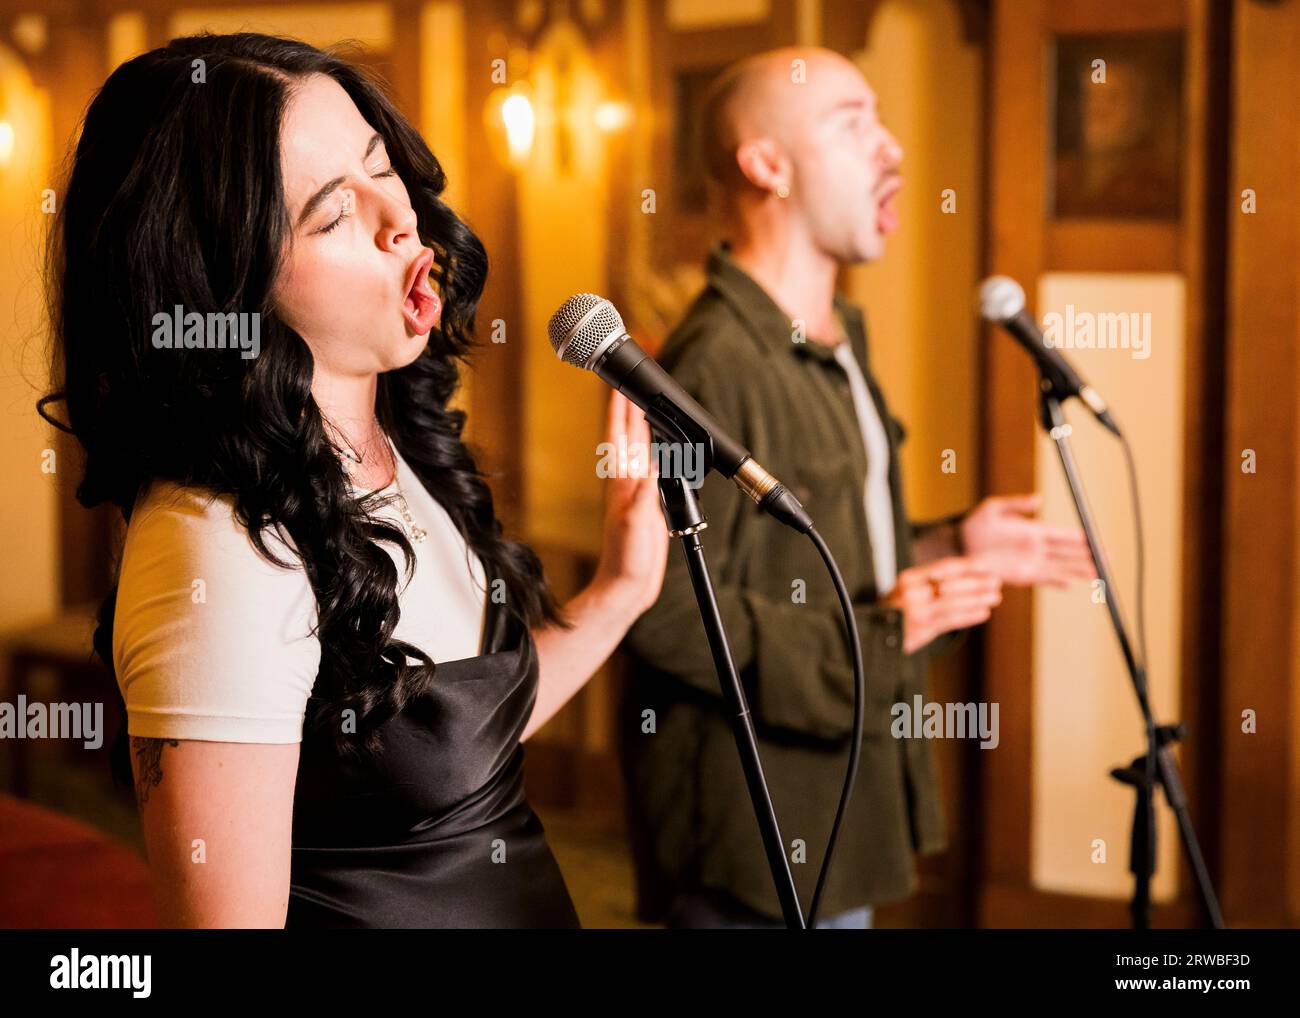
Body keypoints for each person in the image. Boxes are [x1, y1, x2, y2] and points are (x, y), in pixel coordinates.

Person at [38, 32, 668, 928]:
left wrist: (620, 591)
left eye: (382, 166)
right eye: (333, 216)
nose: (398, 219)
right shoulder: (219, 547)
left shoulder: (392, 435)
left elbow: (446, 762)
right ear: (225, 284)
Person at [619, 47, 1096, 929]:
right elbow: (662, 611)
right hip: (757, 834)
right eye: (853, 122)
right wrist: (880, 634)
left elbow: (808, 551)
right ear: (767, 164)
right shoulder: (713, 364)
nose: (894, 149)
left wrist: (951, 546)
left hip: (838, 809)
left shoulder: (834, 341)